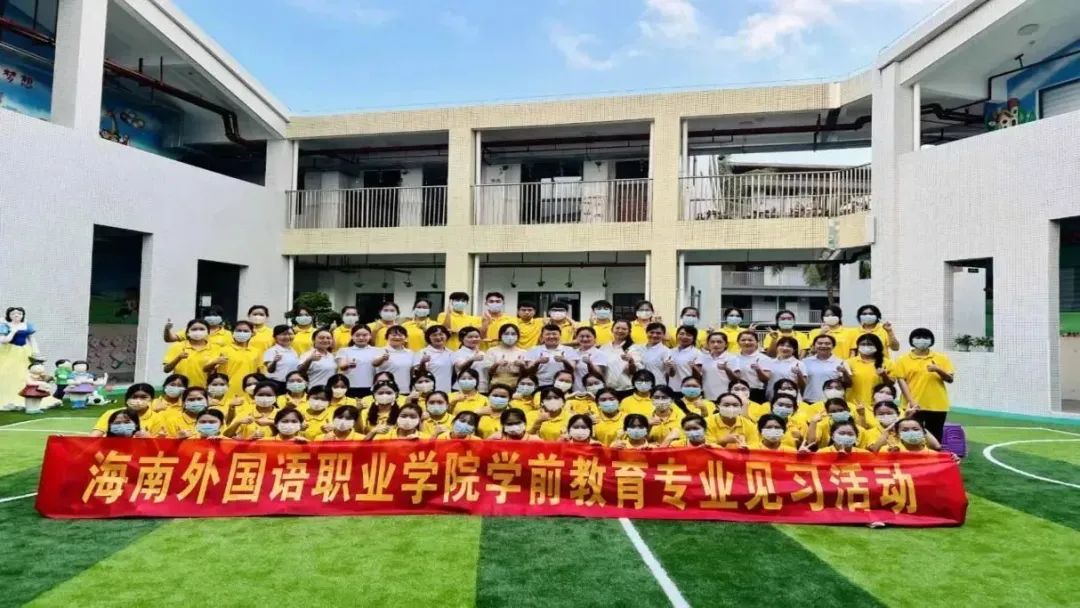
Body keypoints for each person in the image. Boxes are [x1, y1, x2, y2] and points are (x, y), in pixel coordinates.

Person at [894, 328, 955, 441]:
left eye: (926, 338)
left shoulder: (941, 358)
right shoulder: (903, 359)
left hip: (937, 405)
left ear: (931, 341)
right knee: (911, 436)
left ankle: (933, 453)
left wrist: (938, 369)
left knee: (935, 437)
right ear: (912, 340)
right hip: (913, 405)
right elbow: (902, 382)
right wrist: (911, 402)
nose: (922, 340)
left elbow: (950, 379)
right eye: (918, 337)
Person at [211, 320, 263, 399]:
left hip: (249, 390)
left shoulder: (257, 352)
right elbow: (212, 371)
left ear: (252, 333)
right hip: (227, 391)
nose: (242, 333)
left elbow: (261, 372)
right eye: (239, 330)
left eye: (245, 331)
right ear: (233, 333)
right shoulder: (223, 350)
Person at [162, 319, 219, 388]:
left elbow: (215, 372)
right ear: (187, 332)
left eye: (202, 329)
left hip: (203, 389)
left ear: (208, 332)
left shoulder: (215, 348)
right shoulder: (177, 346)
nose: (198, 331)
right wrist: (178, 358)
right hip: (181, 388)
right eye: (194, 329)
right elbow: (166, 369)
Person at [843, 334, 895, 408]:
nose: (866, 346)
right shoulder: (849, 363)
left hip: (878, 405)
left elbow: (891, 384)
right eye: (863, 344)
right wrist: (844, 373)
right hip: (854, 405)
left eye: (870, 344)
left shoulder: (887, 363)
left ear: (877, 346)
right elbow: (846, 384)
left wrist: (884, 375)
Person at [92, 383, 158, 437]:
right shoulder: (111, 413)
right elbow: (94, 436)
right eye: (134, 397)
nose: (138, 401)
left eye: (143, 397)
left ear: (152, 399)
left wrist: (149, 438)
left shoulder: (157, 418)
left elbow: (159, 444)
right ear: (127, 399)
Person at [725, 330, 771, 404]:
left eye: (750, 340)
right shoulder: (732, 357)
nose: (746, 342)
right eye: (743, 340)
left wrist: (758, 370)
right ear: (738, 342)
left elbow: (765, 379)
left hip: (755, 392)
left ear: (757, 342)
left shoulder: (764, 358)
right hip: (736, 391)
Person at [336, 324, 381, 398]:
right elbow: (342, 366)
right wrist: (348, 365)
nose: (361, 338)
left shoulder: (378, 351)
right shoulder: (344, 351)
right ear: (352, 336)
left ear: (370, 336)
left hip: (372, 387)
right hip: (350, 387)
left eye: (365, 335)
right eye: (357, 335)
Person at [600, 319, 640, 398]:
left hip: (626, 390)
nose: (620, 331)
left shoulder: (634, 348)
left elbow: (634, 372)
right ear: (612, 329)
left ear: (629, 331)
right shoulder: (604, 347)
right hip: (608, 390)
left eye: (624, 329)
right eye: (617, 328)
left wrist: (631, 361)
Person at [163, 305, 232, 349]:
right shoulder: (193, 330)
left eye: (215, 315)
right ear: (204, 317)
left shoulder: (228, 334)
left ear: (221, 317)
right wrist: (167, 329)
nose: (212, 318)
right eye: (210, 315)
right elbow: (169, 339)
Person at [801, 333, 844, 404]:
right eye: (820, 343)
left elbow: (846, 383)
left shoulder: (841, 362)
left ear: (833, 346)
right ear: (814, 345)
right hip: (809, 401)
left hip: (832, 403)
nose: (823, 346)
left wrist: (844, 372)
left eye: (827, 343)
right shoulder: (805, 362)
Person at [484, 323, 527, 388]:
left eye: (513, 334)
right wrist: (496, 364)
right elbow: (488, 372)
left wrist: (522, 365)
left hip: (517, 386)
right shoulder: (492, 351)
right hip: (496, 385)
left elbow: (527, 374)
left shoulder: (523, 352)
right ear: (500, 336)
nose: (510, 336)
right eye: (506, 333)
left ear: (518, 336)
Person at [413, 325, 455, 392]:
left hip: (447, 390)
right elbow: (417, 374)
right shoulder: (422, 352)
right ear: (428, 338)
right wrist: (422, 362)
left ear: (446, 335)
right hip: (429, 391)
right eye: (434, 335)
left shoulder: (451, 353)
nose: (438, 337)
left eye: (441, 334)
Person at [373, 326, 414, 391]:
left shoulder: (410, 352)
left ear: (405, 337)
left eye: (400, 335)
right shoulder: (380, 351)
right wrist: (382, 358)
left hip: (405, 389)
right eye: (394, 335)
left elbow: (411, 372)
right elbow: (374, 364)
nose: (397, 337)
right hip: (385, 390)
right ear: (387, 337)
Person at [695, 331, 733, 401]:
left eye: (719, 342)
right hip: (707, 396)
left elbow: (736, 379)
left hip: (726, 397)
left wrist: (726, 369)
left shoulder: (732, 358)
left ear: (726, 344)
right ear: (708, 344)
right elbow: (698, 376)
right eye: (712, 342)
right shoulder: (702, 358)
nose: (715, 345)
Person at [263, 325, 300, 390]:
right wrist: (274, 361)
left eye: (290, 334)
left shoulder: (293, 350)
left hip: (289, 384)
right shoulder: (272, 351)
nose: (287, 337)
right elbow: (270, 370)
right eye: (284, 334)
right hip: (276, 384)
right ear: (275, 337)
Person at [571, 327, 608, 392]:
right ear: (577, 338)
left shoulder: (600, 354)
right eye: (581, 336)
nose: (585, 339)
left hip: (594, 390)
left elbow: (599, 373)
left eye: (588, 336)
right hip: (576, 390)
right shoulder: (572, 353)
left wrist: (589, 363)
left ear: (595, 338)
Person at [453, 327, 489, 392]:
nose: (474, 339)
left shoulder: (483, 353)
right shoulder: (457, 353)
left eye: (477, 337)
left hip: (482, 388)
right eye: (470, 337)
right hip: (462, 388)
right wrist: (472, 359)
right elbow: (460, 367)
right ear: (461, 339)